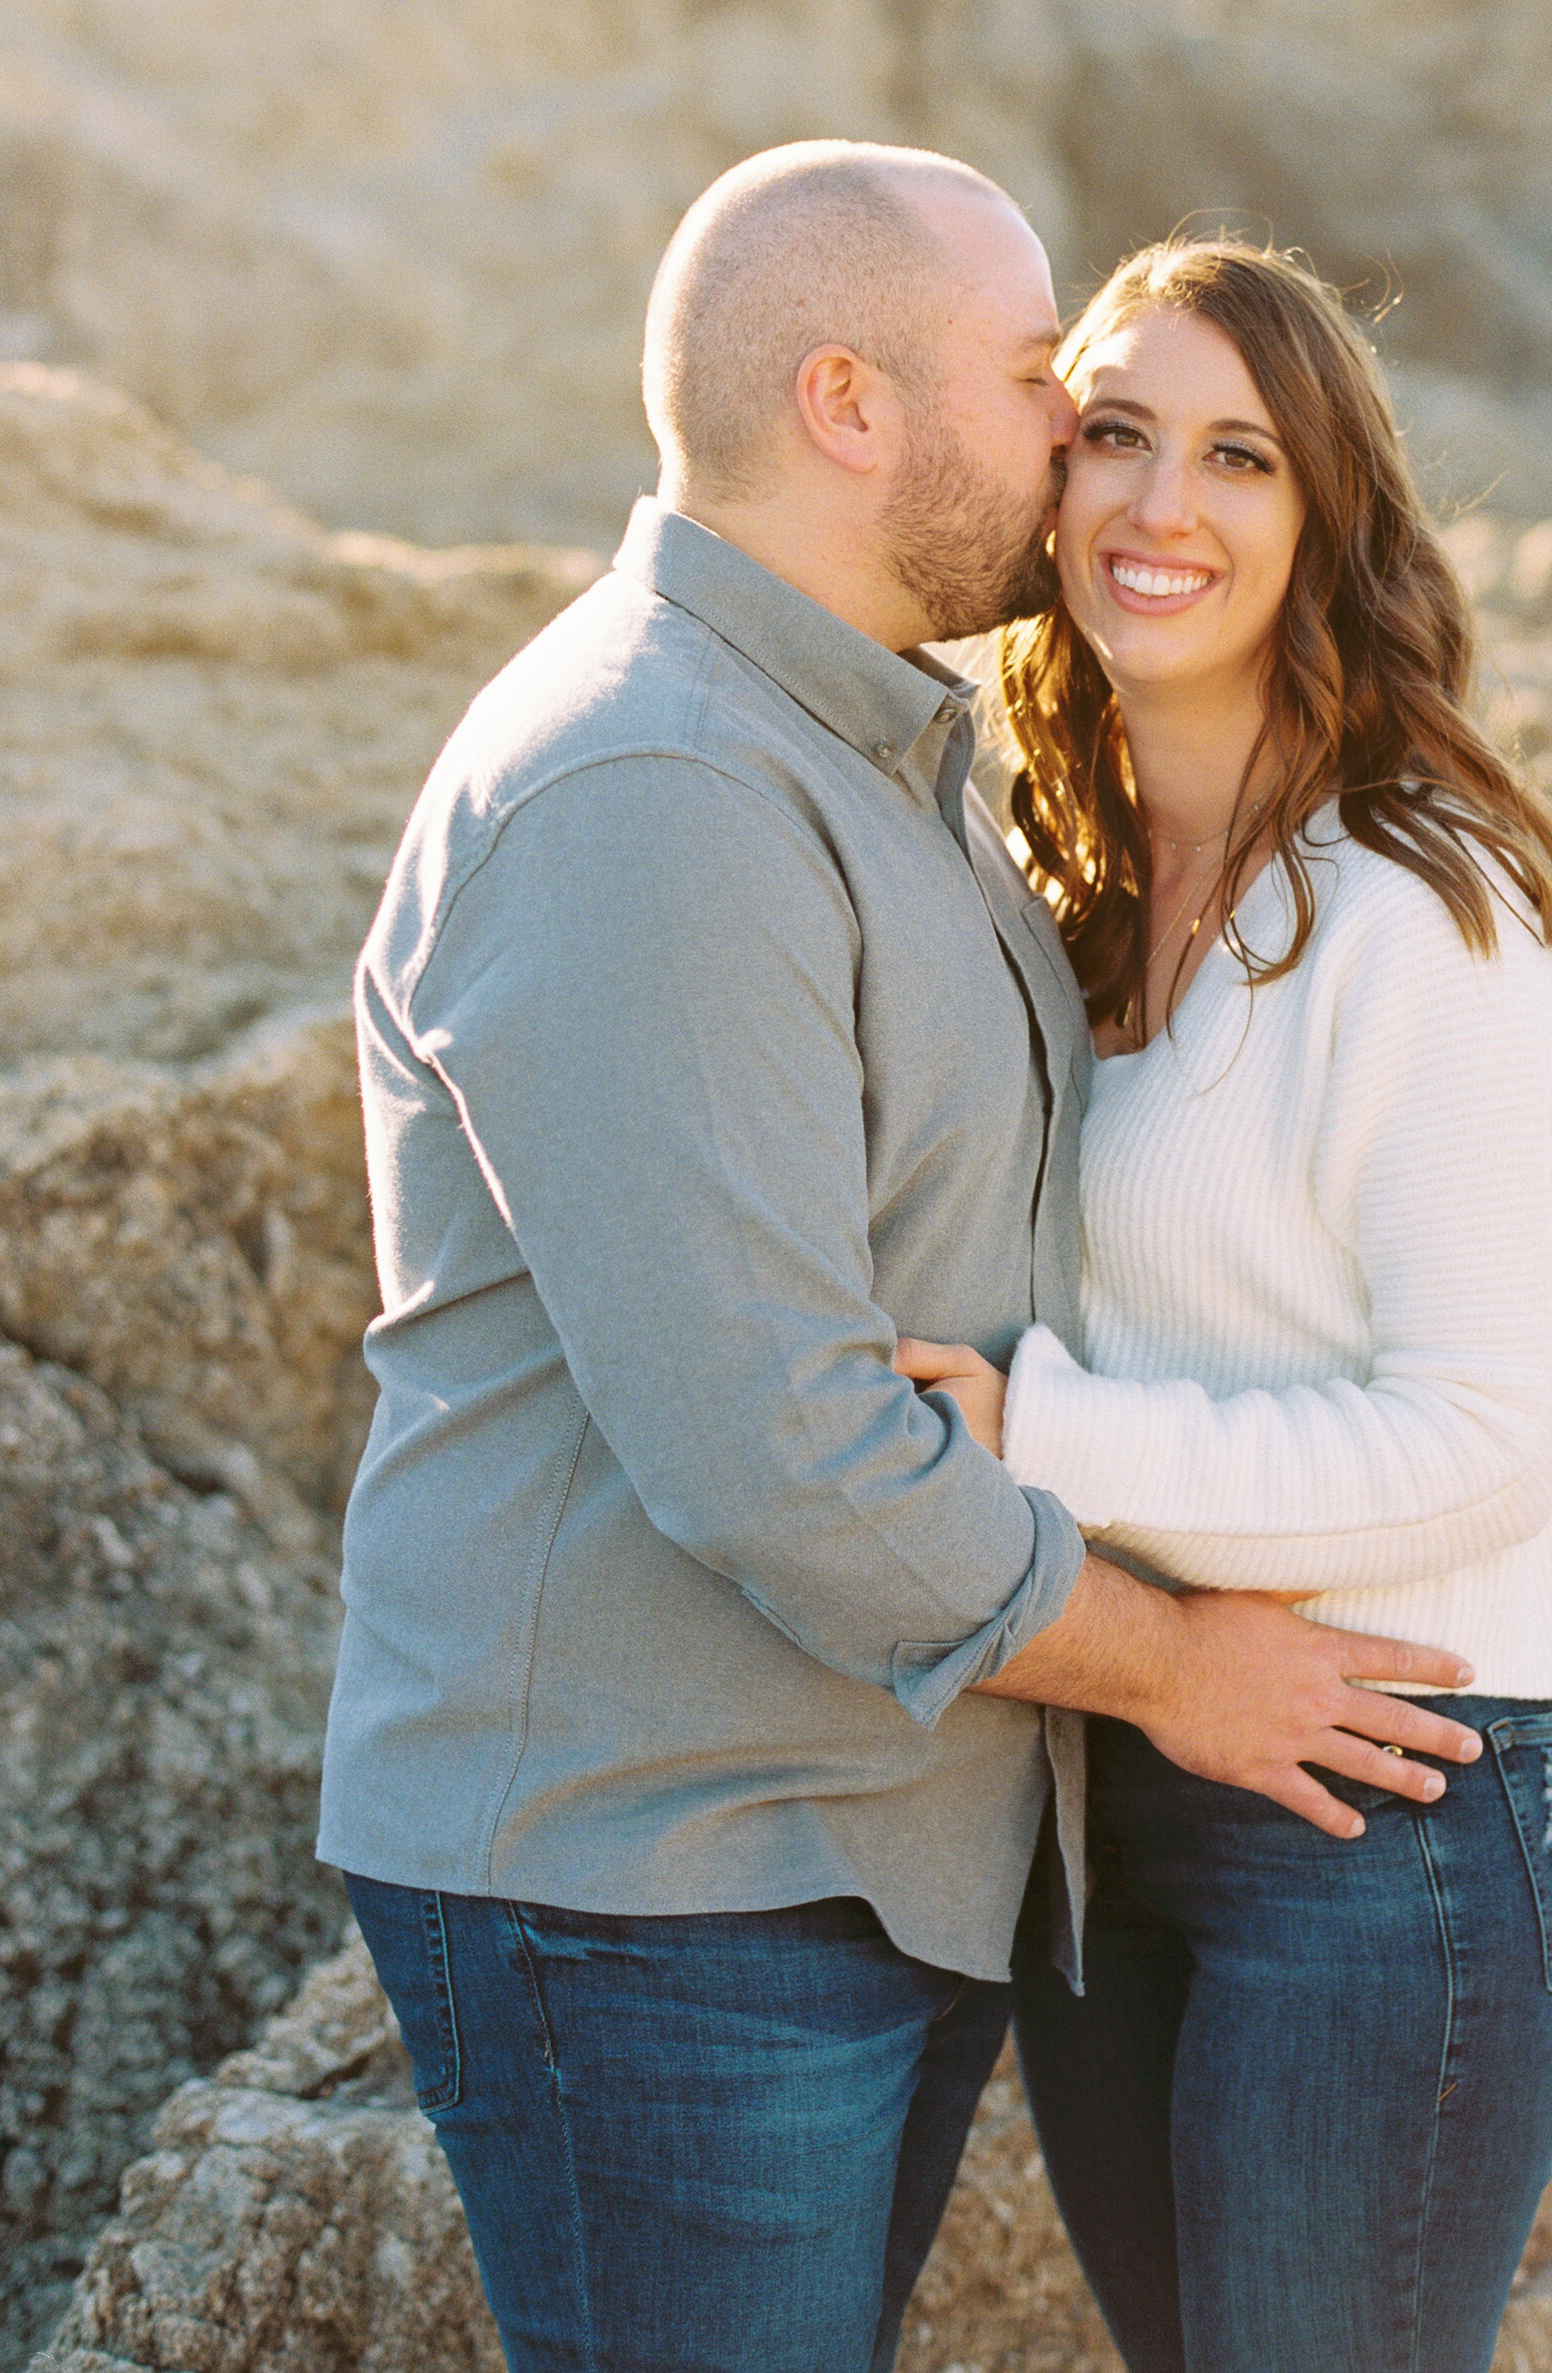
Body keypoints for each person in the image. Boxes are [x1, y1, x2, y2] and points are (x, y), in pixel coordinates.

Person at [316, 147, 1478, 2373]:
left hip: (842, 1847)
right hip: (656, 1881)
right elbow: (771, 1436)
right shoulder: (649, 782)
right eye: (1041, 376)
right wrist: (1171, 1666)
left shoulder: (872, 737)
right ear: (849, 403)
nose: (1074, 433)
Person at [897, 237, 1552, 2373]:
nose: (1161, 506)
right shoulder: (1053, 872)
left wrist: (1031, 1437)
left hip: (1381, 1822)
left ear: (1322, 516)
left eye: (1236, 454)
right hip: (1111, 1763)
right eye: (1114, 432)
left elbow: (1478, 1429)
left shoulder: (1430, 909)